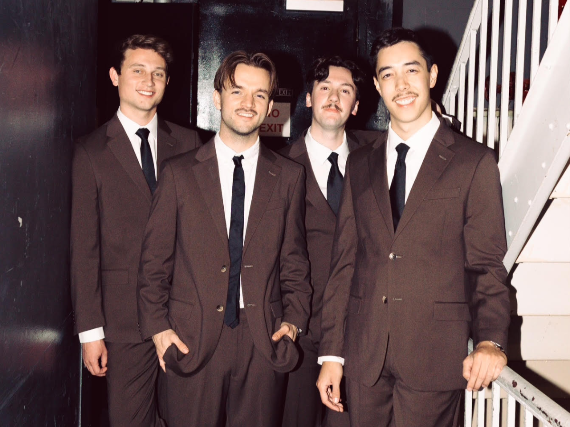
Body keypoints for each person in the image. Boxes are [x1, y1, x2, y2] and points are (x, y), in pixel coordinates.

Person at [316, 28, 510, 427]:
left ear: (432, 75)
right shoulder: (360, 163)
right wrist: (332, 354)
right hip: (364, 356)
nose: (401, 85)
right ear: (376, 85)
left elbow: (486, 265)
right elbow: (344, 264)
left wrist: (491, 340)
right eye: (388, 74)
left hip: (433, 358)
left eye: (411, 70)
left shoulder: (473, 162)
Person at [137, 51, 312, 427]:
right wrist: (158, 329)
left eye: (260, 94)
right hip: (191, 337)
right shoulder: (178, 173)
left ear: (270, 107)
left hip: (263, 340)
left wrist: (294, 322)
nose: (248, 103)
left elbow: (294, 259)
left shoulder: (289, 176)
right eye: (237, 91)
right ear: (217, 98)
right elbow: (154, 263)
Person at [70, 34, 201, 426]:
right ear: (115, 76)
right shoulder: (91, 151)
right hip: (123, 323)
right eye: (138, 71)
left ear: (168, 81)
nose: (149, 81)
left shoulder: (190, 143)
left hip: (186, 315)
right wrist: (90, 332)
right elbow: (84, 249)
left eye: (158, 73)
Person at [280, 56, 375, 427]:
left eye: (345, 90)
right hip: (297, 334)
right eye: (325, 88)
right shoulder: (278, 167)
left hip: (360, 331)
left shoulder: (379, 158)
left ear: (356, 105)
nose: (334, 98)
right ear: (308, 98)